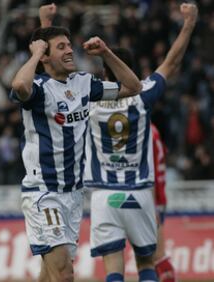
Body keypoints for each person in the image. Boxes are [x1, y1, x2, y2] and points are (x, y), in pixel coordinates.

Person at [10, 8, 142, 281]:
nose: (70, 51)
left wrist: (106, 52)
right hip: (44, 193)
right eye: (61, 47)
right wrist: (35, 53)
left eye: (70, 45)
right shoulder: (38, 89)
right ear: (45, 56)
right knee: (64, 273)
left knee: (50, 273)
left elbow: (133, 86)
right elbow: (19, 85)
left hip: (73, 194)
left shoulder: (83, 83)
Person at [83, 4, 198, 282]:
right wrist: (189, 24)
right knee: (147, 262)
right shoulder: (143, 95)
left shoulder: (89, 101)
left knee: (113, 268)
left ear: (104, 73)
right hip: (140, 193)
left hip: (104, 195)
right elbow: (171, 62)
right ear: (129, 71)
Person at [151, 124, 176, 282]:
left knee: (156, 258)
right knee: (155, 257)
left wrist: (152, 206)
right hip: (159, 198)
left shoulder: (143, 132)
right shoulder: (154, 130)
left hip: (151, 200)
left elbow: (150, 171)